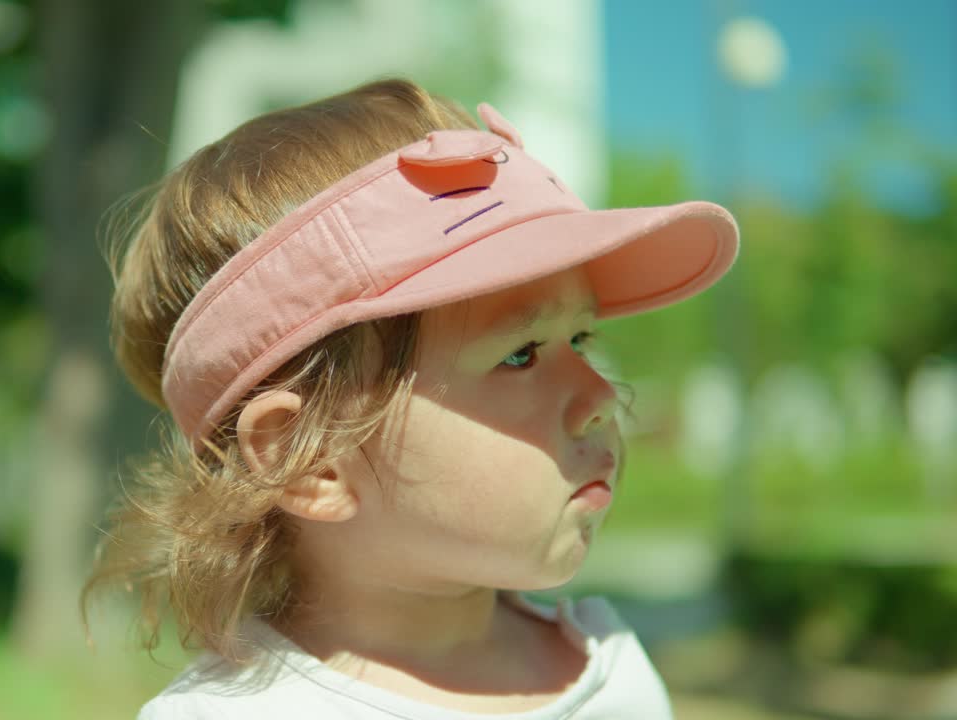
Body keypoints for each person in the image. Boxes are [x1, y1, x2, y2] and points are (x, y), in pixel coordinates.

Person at [85, 77, 739, 719]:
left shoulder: (614, 675)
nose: (600, 394)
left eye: (581, 337)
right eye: (520, 353)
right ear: (308, 457)